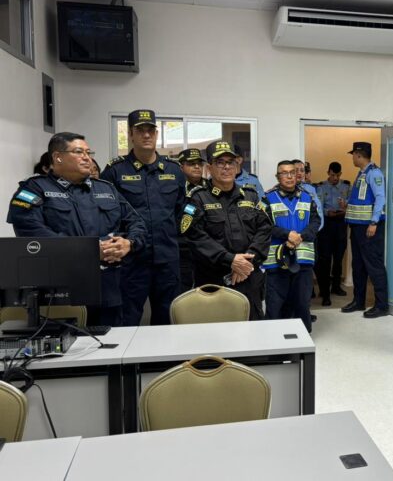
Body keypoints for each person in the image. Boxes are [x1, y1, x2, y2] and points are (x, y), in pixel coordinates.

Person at [8, 132, 146, 326]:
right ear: (58, 157)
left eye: (88, 153)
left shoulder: (106, 189)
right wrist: (87, 250)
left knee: (111, 341)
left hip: (108, 289)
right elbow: (31, 231)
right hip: (61, 291)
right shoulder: (34, 189)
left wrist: (128, 243)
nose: (87, 158)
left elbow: (136, 223)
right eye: (79, 152)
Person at [101, 109, 185, 326]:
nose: (146, 135)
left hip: (166, 259)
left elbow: (180, 210)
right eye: (140, 131)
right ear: (130, 134)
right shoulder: (114, 171)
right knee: (126, 320)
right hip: (131, 261)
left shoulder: (174, 170)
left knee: (167, 320)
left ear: (156, 134)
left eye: (150, 130)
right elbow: (106, 215)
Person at [182, 141, 272, 319]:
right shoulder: (197, 198)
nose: (226, 167)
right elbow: (194, 236)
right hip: (214, 280)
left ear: (237, 166)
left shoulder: (251, 195)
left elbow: (265, 229)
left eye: (230, 162)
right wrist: (230, 260)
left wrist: (245, 263)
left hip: (248, 276)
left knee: (253, 327)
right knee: (217, 329)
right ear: (209, 168)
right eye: (220, 162)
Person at [263, 160, 321, 331]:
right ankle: (273, 338)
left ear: (297, 175)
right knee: (275, 304)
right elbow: (263, 225)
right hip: (277, 262)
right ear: (277, 176)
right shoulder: (267, 198)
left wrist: (301, 236)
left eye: (292, 172)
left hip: (303, 261)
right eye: (284, 173)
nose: (289, 176)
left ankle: (303, 338)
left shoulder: (307, 197)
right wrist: (287, 235)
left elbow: (316, 221)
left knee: (302, 303)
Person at [341, 142, 390, 319]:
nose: (352, 158)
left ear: (359, 155)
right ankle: (358, 301)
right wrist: (347, 204)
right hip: (357, 226)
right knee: (358, 266)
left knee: (374, 266)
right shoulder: (362, 173)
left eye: (353, 155)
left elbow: (380, 198)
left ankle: (382, 305)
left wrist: (374, 222)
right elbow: (363, 198)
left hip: (369, 228)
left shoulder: (374, 173)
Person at [315, 161, 351, 306]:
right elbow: (318, 206)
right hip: (326, 225)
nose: (335, 178)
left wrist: (345, 207)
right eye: (332, 175)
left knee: (338, 257)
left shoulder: (346, 186)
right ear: (328, 173)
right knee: (325, 259)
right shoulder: (321, 187)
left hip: (341, 224)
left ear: (340, 174)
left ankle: (336, 286)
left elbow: (351, 203)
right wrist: (327, 212)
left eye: (337, 175)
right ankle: (325, 291)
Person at [177, 148, 208, 294]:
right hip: (183, 247)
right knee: (183, 292)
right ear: (181, 167)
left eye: (199, 164)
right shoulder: (175, 187)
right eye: (191, 164)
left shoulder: (210, 186)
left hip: (207, 248)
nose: (197, 167)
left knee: (207, 292)